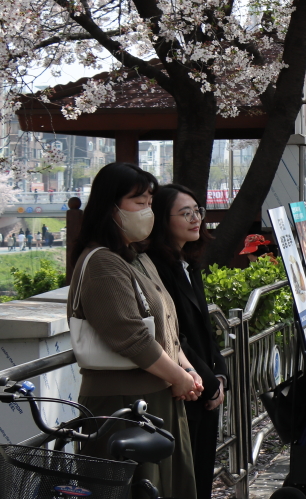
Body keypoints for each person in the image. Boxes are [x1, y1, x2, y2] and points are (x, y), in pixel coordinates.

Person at [67, 162, 202, 499]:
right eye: (138, 202)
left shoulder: (136, 258)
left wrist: (184, 368)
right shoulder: (102, 263)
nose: (147, 210)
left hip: (154, 395)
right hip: (123, 403)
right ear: (110, 206)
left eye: (150, 202)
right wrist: (179, 377)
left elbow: (166, 324)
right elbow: (133, 339)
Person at [147, 185, 228, 499]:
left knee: (202, 474)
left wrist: (220, 375)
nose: (196, 219)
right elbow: (173, 334)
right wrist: (208, 382)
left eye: (198, 211)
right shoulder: (157, 268)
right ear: (161, 220)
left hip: (204, 384)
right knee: (186, 480)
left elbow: (206, 331)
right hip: (186, 388)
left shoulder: (188, 262)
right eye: (185, 213)